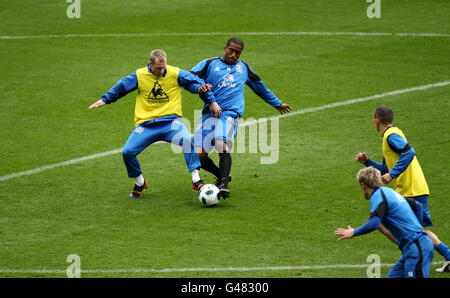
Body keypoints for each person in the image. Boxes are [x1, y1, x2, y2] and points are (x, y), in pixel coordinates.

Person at [88, 49, 218, 198]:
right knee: (127, 152)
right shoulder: (140, 75)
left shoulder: (175, 73)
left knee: (188, 140)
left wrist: (201, 90)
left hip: (171, 123)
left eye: (164, 68)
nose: (162, 71)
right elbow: (122, 86)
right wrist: (105, 99)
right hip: (146, 125)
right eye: (158, 68)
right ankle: (140, 182)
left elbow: (196, 83)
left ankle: (196, 180)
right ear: (149, 64)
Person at [190, 37, 292, 198]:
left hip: (229, 114)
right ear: (225, 48)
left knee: (221, 143)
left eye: (238, 52)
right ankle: (222, 175)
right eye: (231, 51)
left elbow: (260, 87)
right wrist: (200, 89)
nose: (234, 55)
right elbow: (188, 78)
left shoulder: (243, 68)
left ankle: (224, 185)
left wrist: (277, 103)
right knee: (199, 154)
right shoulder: (209, 64)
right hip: (209, 114)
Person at [355, 105, 449, 272]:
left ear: (377, 120)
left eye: (373, 121)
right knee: (411, 229)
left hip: (412, 189)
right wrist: (367, 162)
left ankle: (416, 254)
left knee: (409, 230)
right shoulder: (390, 136)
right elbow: (384, 168)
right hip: (410, 188)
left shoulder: (391, 136)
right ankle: (423, 254)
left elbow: (409, 152)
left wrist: (392, 175)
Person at [335, 167, 434, 278]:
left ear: (362, 185)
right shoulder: (389, 192)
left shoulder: (378, 196)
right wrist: (418, 227)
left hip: (417, 248)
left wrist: (354, 232)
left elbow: (375, 223)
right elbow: (418, 206)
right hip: (412, 249)